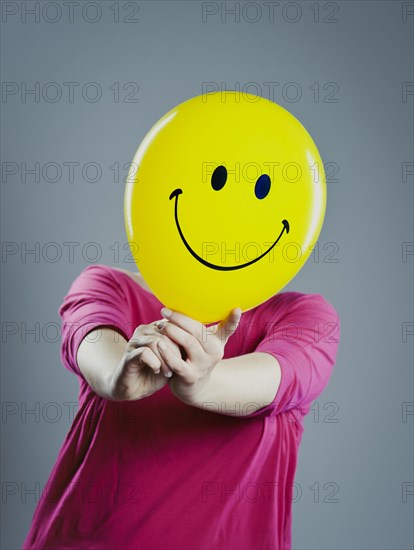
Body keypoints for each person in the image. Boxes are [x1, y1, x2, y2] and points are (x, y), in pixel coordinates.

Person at [23, 263, 340, 549]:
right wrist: (119, 376)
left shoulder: (304, 316)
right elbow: (97, 352)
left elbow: (276, 380)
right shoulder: (107, 285)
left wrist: (202, 383)